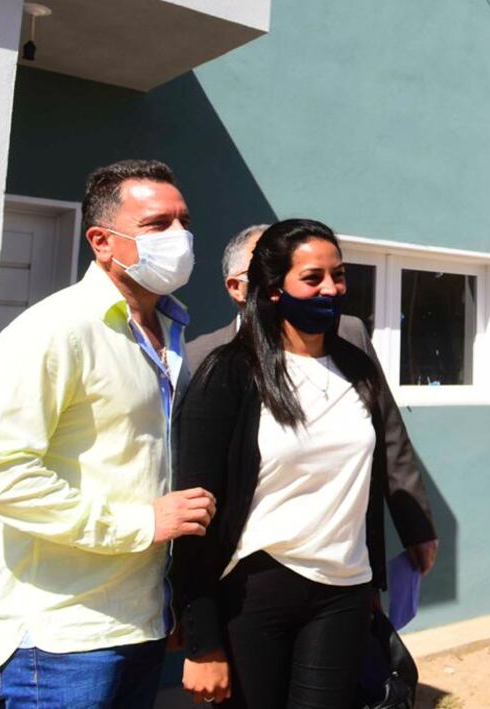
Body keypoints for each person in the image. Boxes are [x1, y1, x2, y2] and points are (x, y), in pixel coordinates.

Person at [0, 159, 217, 708]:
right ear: (102, 240)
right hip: (63, 638)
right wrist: (140, 524)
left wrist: (170, 597)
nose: (180, 237)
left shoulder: (169, 332)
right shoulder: (54, 330)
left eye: (184, 221)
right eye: (158, 224)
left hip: (139, 620)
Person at [172, 219, 407, 707]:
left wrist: (372, 581)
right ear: (275, 290)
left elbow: (367, 482)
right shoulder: (229, 373)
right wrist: (202, 640)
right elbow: (196, 512)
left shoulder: (357, 367)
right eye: (313, 277)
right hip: (257, 590)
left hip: (344, 591)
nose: (331, 288)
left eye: (338, 275)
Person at [185, 223, 438, 575]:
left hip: (344, 565)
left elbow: (389, 436)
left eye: (337, 275)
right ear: (239, 287)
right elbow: (198, 478)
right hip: (253, 567)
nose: (328, 290)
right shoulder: (205, 358)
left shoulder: (348, 336)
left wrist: (416, 527)